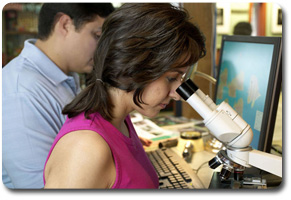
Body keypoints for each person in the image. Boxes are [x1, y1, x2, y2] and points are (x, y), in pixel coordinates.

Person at [43, 3, 206, 189]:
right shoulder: (85, 148)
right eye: (171, 78)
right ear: (134, 67)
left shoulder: (119, 119)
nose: (177, 94)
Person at [2, 3, 114, 189]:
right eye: (97, 36)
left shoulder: (67, 75)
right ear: (64, 25)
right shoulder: (22, 94)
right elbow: (39, 188)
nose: (103, 49)